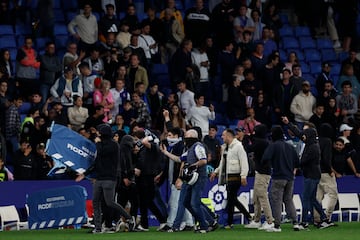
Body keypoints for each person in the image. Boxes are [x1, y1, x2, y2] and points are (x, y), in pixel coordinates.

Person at [76, 124, 135, 233]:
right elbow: (96, 162)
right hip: (99, 178)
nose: (97, 134)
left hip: (109, 178)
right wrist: (85, 174)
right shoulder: (102, 145)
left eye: (99, 132)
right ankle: (98, 228)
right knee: (96, 202)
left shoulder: (113, 145)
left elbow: (102, 153)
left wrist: (98, 144)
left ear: (103, 133)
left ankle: (129, 218)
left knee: (110, 202)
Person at [284, 117, 335, 230]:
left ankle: (304, 222)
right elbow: (298, 134)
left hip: (311, 176)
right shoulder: (312, 144)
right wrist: (289, 124)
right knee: (312, 199)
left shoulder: (312, 147)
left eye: (305, 134)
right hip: (313, 175)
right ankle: (325, 219)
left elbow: (302, 162)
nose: (303, 136)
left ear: (309, 135)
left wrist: (294, 161)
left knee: (306, 198)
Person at [261, 125, 300, 232]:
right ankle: (295, 222)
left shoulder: (273, 146)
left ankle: (277, 225)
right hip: (290, 177)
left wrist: (270, 165)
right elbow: (297, 162)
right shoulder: (290, 147)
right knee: (288, 199)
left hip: (278, 177)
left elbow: (265, 158)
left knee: (276, 200)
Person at [210, 128, 250, 229]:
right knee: (232, 199)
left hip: (236, 176)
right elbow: (222, 163)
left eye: (223, 135)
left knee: (231, 199)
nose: (222, 137)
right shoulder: (225, 148)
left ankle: (230, 222)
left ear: (228, 136)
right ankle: (245, 217)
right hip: (228, 176)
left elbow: (244, 162)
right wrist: (216, 171)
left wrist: (243, 176)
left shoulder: (238, 147)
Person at [132, 129, 167, 231]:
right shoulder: (143, 149)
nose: (136, 142)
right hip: (143, 176)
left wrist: (148, 136)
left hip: (148, 177)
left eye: (136, 139)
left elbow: (144, 142)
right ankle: (159, 221)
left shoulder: (153, 147)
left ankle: (147, 224)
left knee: (145, 201)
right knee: (147, 201)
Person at [159, 127, 194, 231]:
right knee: (183, 201)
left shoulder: (179, 146)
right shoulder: (174, 147)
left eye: (170, 135)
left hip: (178, 179)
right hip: (174, 178)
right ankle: (189, 223)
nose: (167, 138)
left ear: (176, 136)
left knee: (174, 202)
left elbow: (181, 162)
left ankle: (170, 224)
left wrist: (179, 178)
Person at [178, 129, 211, 233]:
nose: (185, 140)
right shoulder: (191, 148)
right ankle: (205, 223)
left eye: (187, 138)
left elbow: (204, 160)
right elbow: (180, 159)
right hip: (192, 179)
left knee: (194, 203)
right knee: (186, 202)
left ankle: (204, 226)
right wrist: (165, 152)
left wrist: (193, 166)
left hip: (199, 177)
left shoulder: (198, 146)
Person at [244, 124, 274, 230]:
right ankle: (256, 220)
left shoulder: (261, 142)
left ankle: (270, 221)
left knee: (262, 196)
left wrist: (246, 138)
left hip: (263, 173)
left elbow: (248, 148)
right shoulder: (264, 141)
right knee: (256, 197)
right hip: (261, 172)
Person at [16, 36, 41, 100]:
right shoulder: (20, 51)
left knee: (32, 97)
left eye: (30, 43)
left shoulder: (35, 52)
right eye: (27, 43)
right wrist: (33, 61)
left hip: (32, 78)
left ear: (32, 43)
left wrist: (29, 60)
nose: (28, 44)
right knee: (23, 97)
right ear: (24, 43)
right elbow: (25, 62)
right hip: (22, 78)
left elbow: (37, 65)